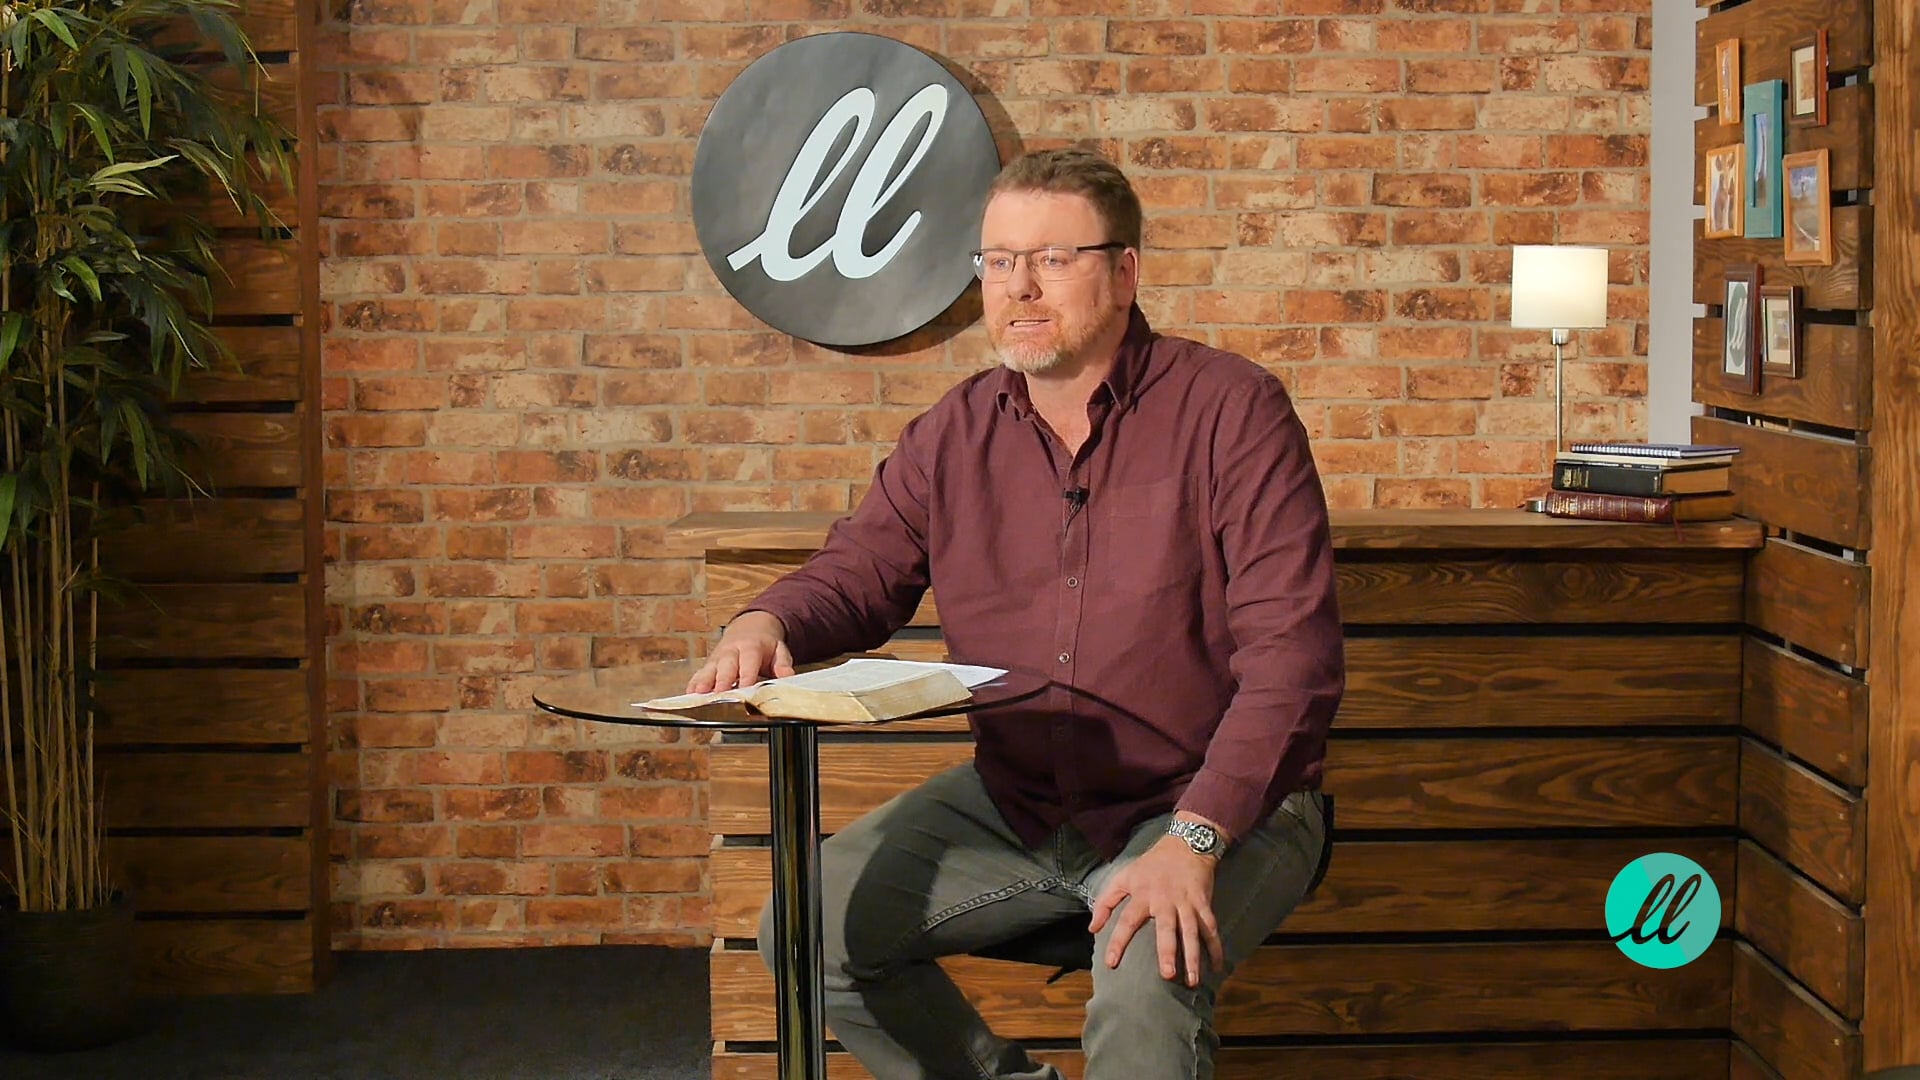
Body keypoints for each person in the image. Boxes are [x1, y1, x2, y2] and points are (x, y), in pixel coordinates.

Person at [688, 147, 1344, 1080]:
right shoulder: (952, 433)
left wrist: (1195, 838)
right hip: (1022, 802)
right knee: (806, 929)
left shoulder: (1232, 411)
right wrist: (767, 622)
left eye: (1052, 259)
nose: (1019, 287)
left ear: (1125, 271)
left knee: (1145, 977)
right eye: (998, 261)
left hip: (1205, 799)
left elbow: (1294, 660)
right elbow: (861, 569)